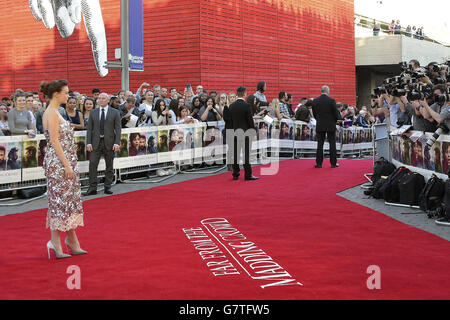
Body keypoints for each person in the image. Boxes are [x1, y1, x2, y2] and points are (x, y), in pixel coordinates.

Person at [40, 79, 86, 259]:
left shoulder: (57, 112)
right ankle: (56, 243)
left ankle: (71, 240)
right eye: (66, 93)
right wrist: (67, 165)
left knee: (68, 202)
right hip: (59, 164)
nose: (68, 95)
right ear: (56, 94)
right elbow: (54, 141)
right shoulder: (51, 112)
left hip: (66, 162)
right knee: (59, 203)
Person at [84, 92, 121, 196]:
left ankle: (107, 187)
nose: (101, 100)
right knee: (92, 165)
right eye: (99, 98)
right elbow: (89, 129)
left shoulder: (115, 112)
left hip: (109, 142)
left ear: (108, 100)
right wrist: (88, 143)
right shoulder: (93, 112)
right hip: (96, 143)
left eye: (103, 98)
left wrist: (117, 143)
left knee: (109, 166)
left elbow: (118, 129)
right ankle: (92, 188)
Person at [228, 86, 258, 181]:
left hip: (234, 133)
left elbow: (230, 121)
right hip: (245, 133)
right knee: (246, 154)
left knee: (235, 154)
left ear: (237, 94)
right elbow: (250, 121)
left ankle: (235, 174)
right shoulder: (246, 106)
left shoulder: (231, 106)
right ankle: (247, 175)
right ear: (245, 93)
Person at [312, 85, 340, 168]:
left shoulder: (315, 101)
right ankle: (333, 163)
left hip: (320, 124)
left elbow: (314, 113)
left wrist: (319, 119)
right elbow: (336, 113)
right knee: (332, 144)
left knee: (320, 144)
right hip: (330, 124)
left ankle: (319, 163)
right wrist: (335, 120)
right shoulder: (331, 100)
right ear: (327, 91)